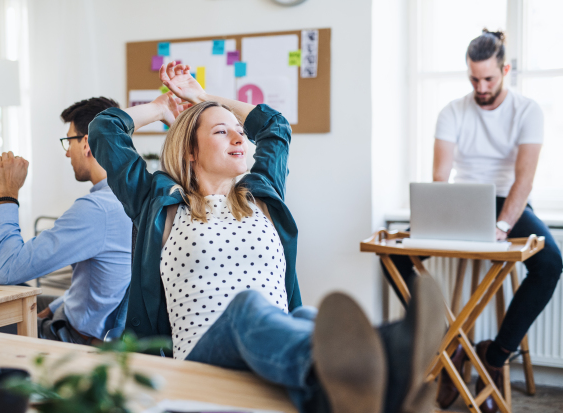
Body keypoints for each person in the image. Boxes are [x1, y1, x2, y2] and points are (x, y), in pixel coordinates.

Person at [88, 61, 445, 413]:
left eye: (239, 129)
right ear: (190, 151)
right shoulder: (159, 203)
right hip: (202, 360)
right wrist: (162, 107)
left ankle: (370, 386)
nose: (239, 135)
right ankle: (387, 350)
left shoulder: (261, 195)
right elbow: (105, 128)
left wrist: (204, 97)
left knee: (307, 317)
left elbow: (274, 125)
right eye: (221, 131)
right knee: (247, 307)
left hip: (267, 350)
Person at [386, 30, 563, 413]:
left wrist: (500, 229)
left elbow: (524, 179)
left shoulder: (528, 110)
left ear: (506, 70)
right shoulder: (452, 111)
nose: (481, 87)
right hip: (462, 200)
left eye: (489, 79)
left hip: (507, 204)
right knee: (394, 258)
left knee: (550, 263)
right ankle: (447, 346)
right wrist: (439, 217)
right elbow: (440, 178)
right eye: (474, 79)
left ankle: (493, 355)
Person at [0, 97, 133, 345]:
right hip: (83, 318)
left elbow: (6, 270)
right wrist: (59, 305)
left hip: (75, 339)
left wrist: (7, 194)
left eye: (69, 140)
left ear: (87, 142)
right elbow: (105, 282)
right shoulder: (131, 196)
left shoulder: (97, 211)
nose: (67, 151)